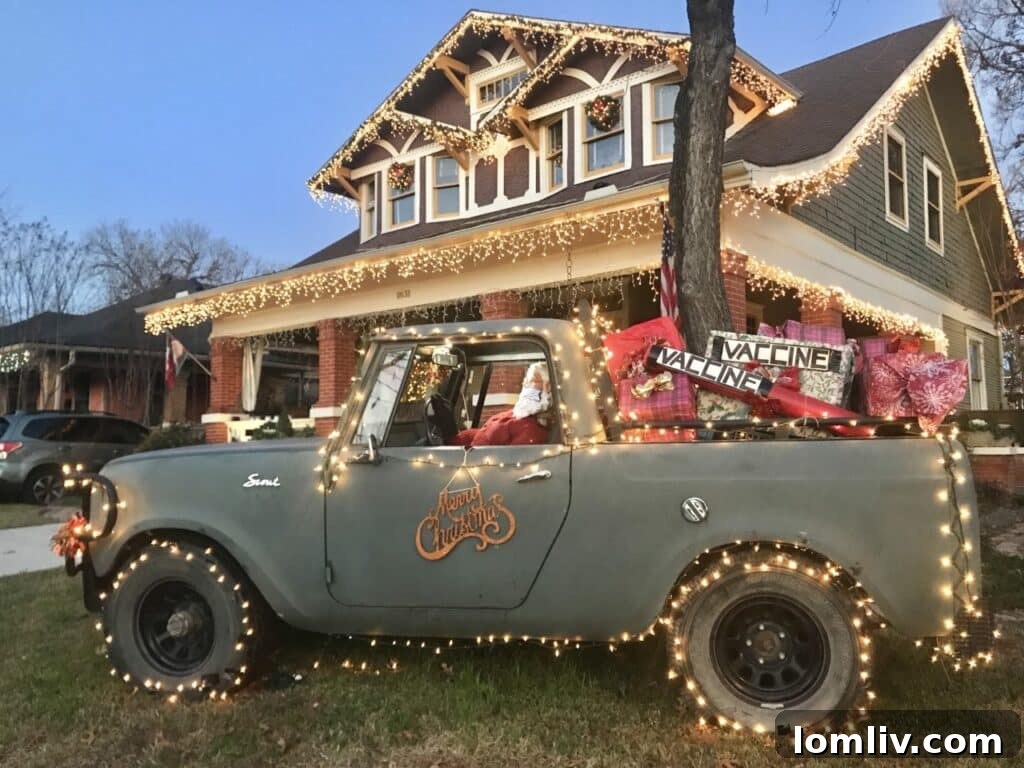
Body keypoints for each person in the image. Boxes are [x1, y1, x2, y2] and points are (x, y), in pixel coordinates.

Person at [452, 361, 552, 446]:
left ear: (548, 387)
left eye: (532, 381)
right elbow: (488, 435)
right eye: (526, 381)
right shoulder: (518, 414)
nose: (524, 384)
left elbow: (510, 458)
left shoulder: (532, 430)